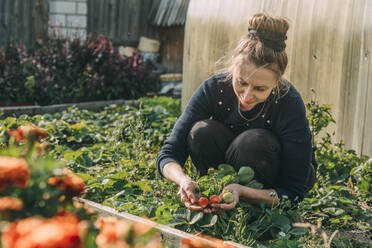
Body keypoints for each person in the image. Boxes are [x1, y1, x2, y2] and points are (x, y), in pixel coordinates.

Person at [156, 13, 317, 213]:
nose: (247, 96)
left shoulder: (288, 102)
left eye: (260, 88)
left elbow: (293, 192)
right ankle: (215, 198)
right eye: (241, 82)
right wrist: (184, 180)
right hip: (228, 173)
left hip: (272, 184)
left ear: (276, 83)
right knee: (201, 131)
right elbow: (169, 153)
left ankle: (252, 210)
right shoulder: (214, 88)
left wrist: (244, 191)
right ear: (233, 67)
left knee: (252, 141)